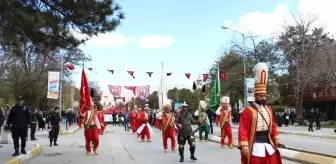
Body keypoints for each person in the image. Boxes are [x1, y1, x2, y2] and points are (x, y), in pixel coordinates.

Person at [238, 63, 282, 164]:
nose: (263, 98)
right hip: (255, 145)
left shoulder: (269, 109)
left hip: (268, 144)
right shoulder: (247, 111)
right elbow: (243, 129)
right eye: (260, 96)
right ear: (255, 96)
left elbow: (273, 125)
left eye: (264, 96)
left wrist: (276, 138)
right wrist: (244, 145)